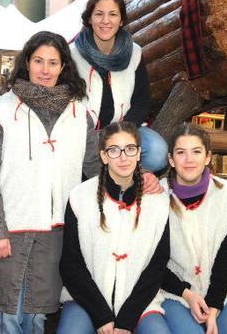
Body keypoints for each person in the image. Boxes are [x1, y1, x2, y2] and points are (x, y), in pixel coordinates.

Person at [0, 31, 102, 334]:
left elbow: (96, 171)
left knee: (38, 320)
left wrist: (137, 180)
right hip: (9, 231)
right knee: (8, 320)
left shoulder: (80, 113)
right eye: (39, 61)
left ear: (63, 67)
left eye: (53, 62)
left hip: (55, 235)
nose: (45, 69)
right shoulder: (2, 110)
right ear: (26, 63)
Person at [59, 121, 172, 334]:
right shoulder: (80, 197)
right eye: (114, 150)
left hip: (139, 303)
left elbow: (157, 267)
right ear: (103, 156)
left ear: (139, 154)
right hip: (87, 299)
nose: (123, 157)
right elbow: (70, 265)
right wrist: (102, 316)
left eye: (130, 149)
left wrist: (126, 321)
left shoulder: (158, 203)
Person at [161, 123, 227, 334]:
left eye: (196, 151)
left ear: (208, 157)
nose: (189, 159)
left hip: (222, 288)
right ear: (171, 160)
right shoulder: (156, 198)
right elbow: (154, 261)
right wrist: (187, 294)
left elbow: (226, 255)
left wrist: (214, 306)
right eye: (181, 152)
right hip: (175, 290)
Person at [70, 0, 168, 172]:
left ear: (121, 20)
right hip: (83, 134)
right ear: (89, 19)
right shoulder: (71, 54)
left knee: (157, 152)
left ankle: (133, 180)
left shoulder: (135, 53)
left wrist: (122, 132)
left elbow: (142, 101)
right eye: (99, 14)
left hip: (124, 129)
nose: (106, 20)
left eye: (113, 14)